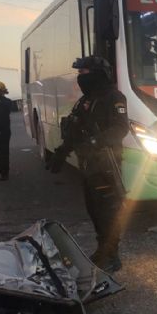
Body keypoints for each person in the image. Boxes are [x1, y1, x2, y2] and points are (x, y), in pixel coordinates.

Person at [47, 56, 129, 273]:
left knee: (107, 212)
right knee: (94, 210)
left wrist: (94, 142)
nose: (80, 77)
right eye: (80, 73)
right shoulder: (85, 100)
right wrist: (61, 153)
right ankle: (103, 249)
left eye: (83, 73)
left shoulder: (113, 97)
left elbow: (121, 128)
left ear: (97, 73)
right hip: (88, 165)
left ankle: (111, 255)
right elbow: (74, 130)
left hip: (105, 164)